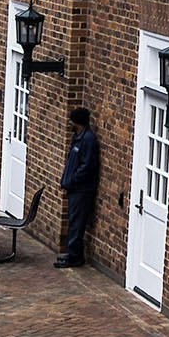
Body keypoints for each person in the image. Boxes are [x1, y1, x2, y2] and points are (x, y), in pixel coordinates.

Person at [56, 106, 99, 269]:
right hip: (74, 188)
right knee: (73, 220)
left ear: (77, 122)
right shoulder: (78, 137)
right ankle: (72, 253)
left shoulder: (88, 140)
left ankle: (74, 256)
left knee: (77, 222)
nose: (69, 123)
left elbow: (86, 166)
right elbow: (72, 163)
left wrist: (72, 181)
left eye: (71, 120)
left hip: (82, 190)